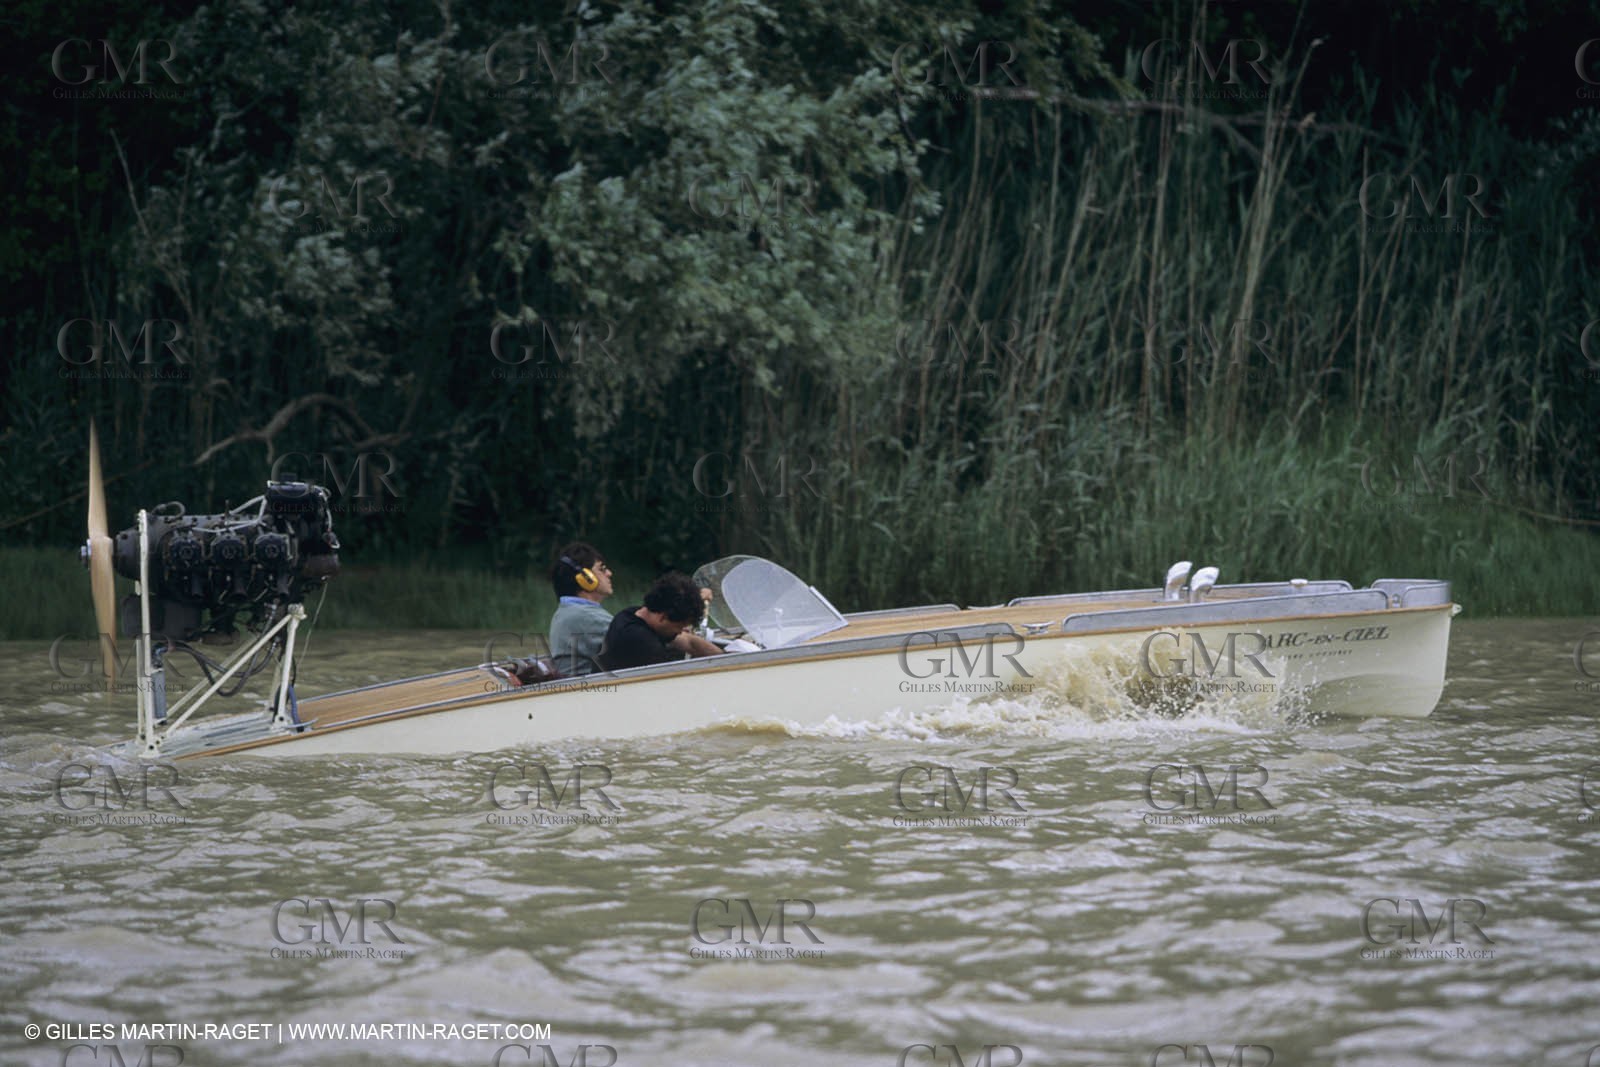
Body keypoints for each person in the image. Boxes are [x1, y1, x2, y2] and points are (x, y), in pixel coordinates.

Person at [597, 572, 724, 671]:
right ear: (663, 617)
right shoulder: (643, 643)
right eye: (680, 627)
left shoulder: (633, 614)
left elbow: (690, 642)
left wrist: (726, 658)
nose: (681, 631)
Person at [547, 542, 614, 676]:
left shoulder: (569, 611)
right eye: (601, 569)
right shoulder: (586, 616)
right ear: (586, 578)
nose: (609, 573)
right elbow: (637, 641)